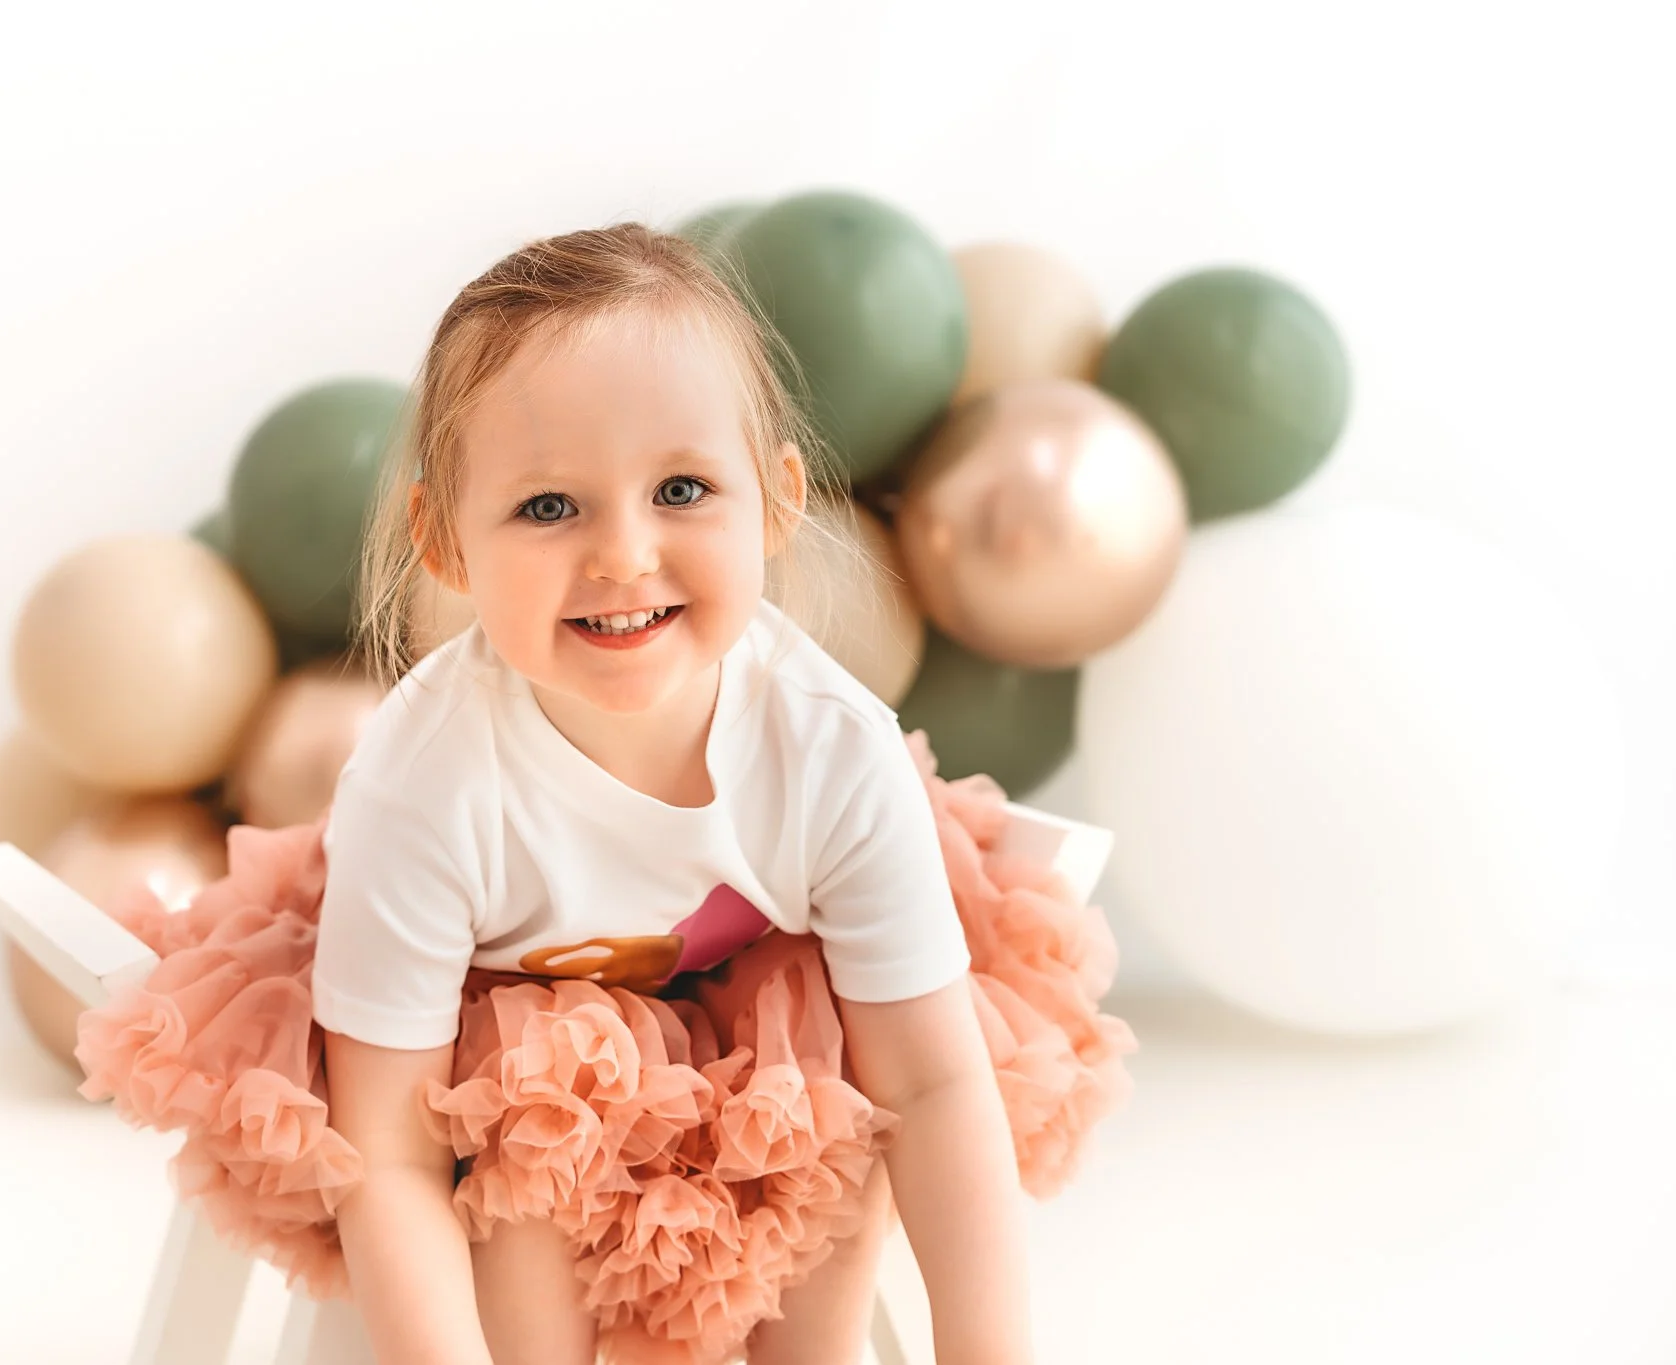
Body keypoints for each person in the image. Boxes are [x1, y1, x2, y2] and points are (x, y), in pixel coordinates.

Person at [77, 223, 1133, 1365]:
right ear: (442, 542)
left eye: (680, 488)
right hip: (507, 1043)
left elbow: (932, 1089)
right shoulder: (429, 782)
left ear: (774, 501)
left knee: (834, 1092)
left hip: (767, 1014)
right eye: (546, 507)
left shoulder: (826, 748)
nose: (624, 555)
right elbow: (387, 1151)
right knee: (523, 1219)